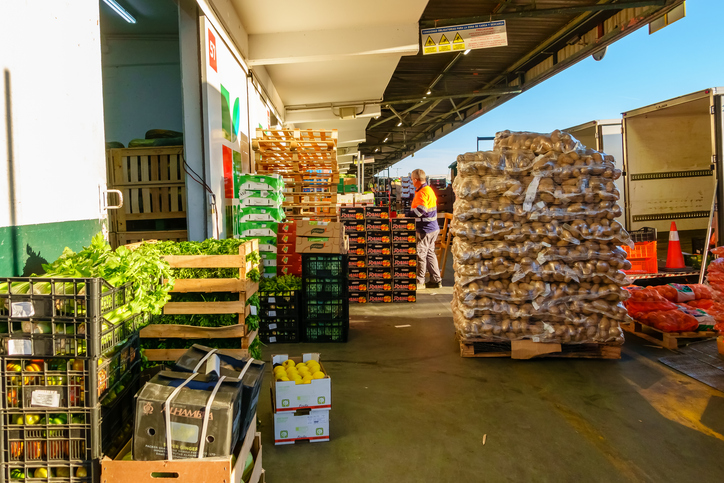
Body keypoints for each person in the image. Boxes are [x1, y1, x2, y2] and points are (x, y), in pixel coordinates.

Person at [404, 169, 442, 290]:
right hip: (433, 227)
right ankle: (436, 280)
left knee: (421, 254)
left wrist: (406, 215)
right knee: (430, 253)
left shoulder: (422, 193)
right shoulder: (428, 189)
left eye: (412, 180)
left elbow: (420, 211)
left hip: (425, 229)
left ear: (415, 180)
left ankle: (420, 282)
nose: (411, 182)